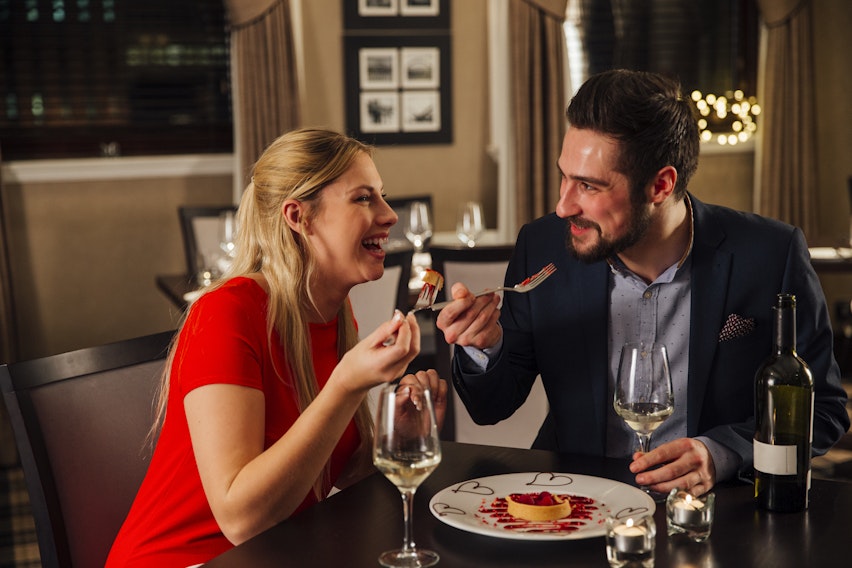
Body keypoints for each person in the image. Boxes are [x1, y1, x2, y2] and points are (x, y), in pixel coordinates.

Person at [436, 69, 849, 497]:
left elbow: (824, 409)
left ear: (660, 185)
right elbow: (491, 406)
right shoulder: (542, 248)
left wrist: (721, 454)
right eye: (565, 176)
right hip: (576, 504)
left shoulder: (771, 254)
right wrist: (485, 347)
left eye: (588, 186)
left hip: (712, 511)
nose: (563, 206)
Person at [107, 128, 447, 567]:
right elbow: (241, 520)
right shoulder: (226, 313)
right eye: (363, 198)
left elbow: (332, 467)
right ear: (299, 217)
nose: (389, 215)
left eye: (382, 196)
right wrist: (344, 386)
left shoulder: (333, 312)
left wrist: (399, 435)